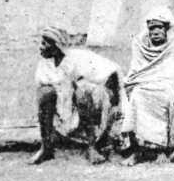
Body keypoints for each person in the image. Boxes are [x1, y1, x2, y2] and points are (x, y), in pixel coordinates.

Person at [30, 26, 125, 165]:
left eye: (45, 43)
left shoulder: (79, 57)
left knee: (83, 90)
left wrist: (115, 101)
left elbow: (112, 69)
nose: (40, 47)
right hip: (64, 107)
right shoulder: (45, 64)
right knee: (45, 93)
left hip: (91, 104)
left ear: (56, 46)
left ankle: (91, 146)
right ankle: (46, 148)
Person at [121, 7, 174, 165]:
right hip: (143, 83)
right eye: (152, 28)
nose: (155, 32)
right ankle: (137, 151)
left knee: (165, 95)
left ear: (166, 28)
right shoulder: (140, 42)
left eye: (159, 27)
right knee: (137, 95)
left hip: (168, 84)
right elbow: (136, 70)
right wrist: (144, 81)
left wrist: (159, 82)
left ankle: (161, 150)